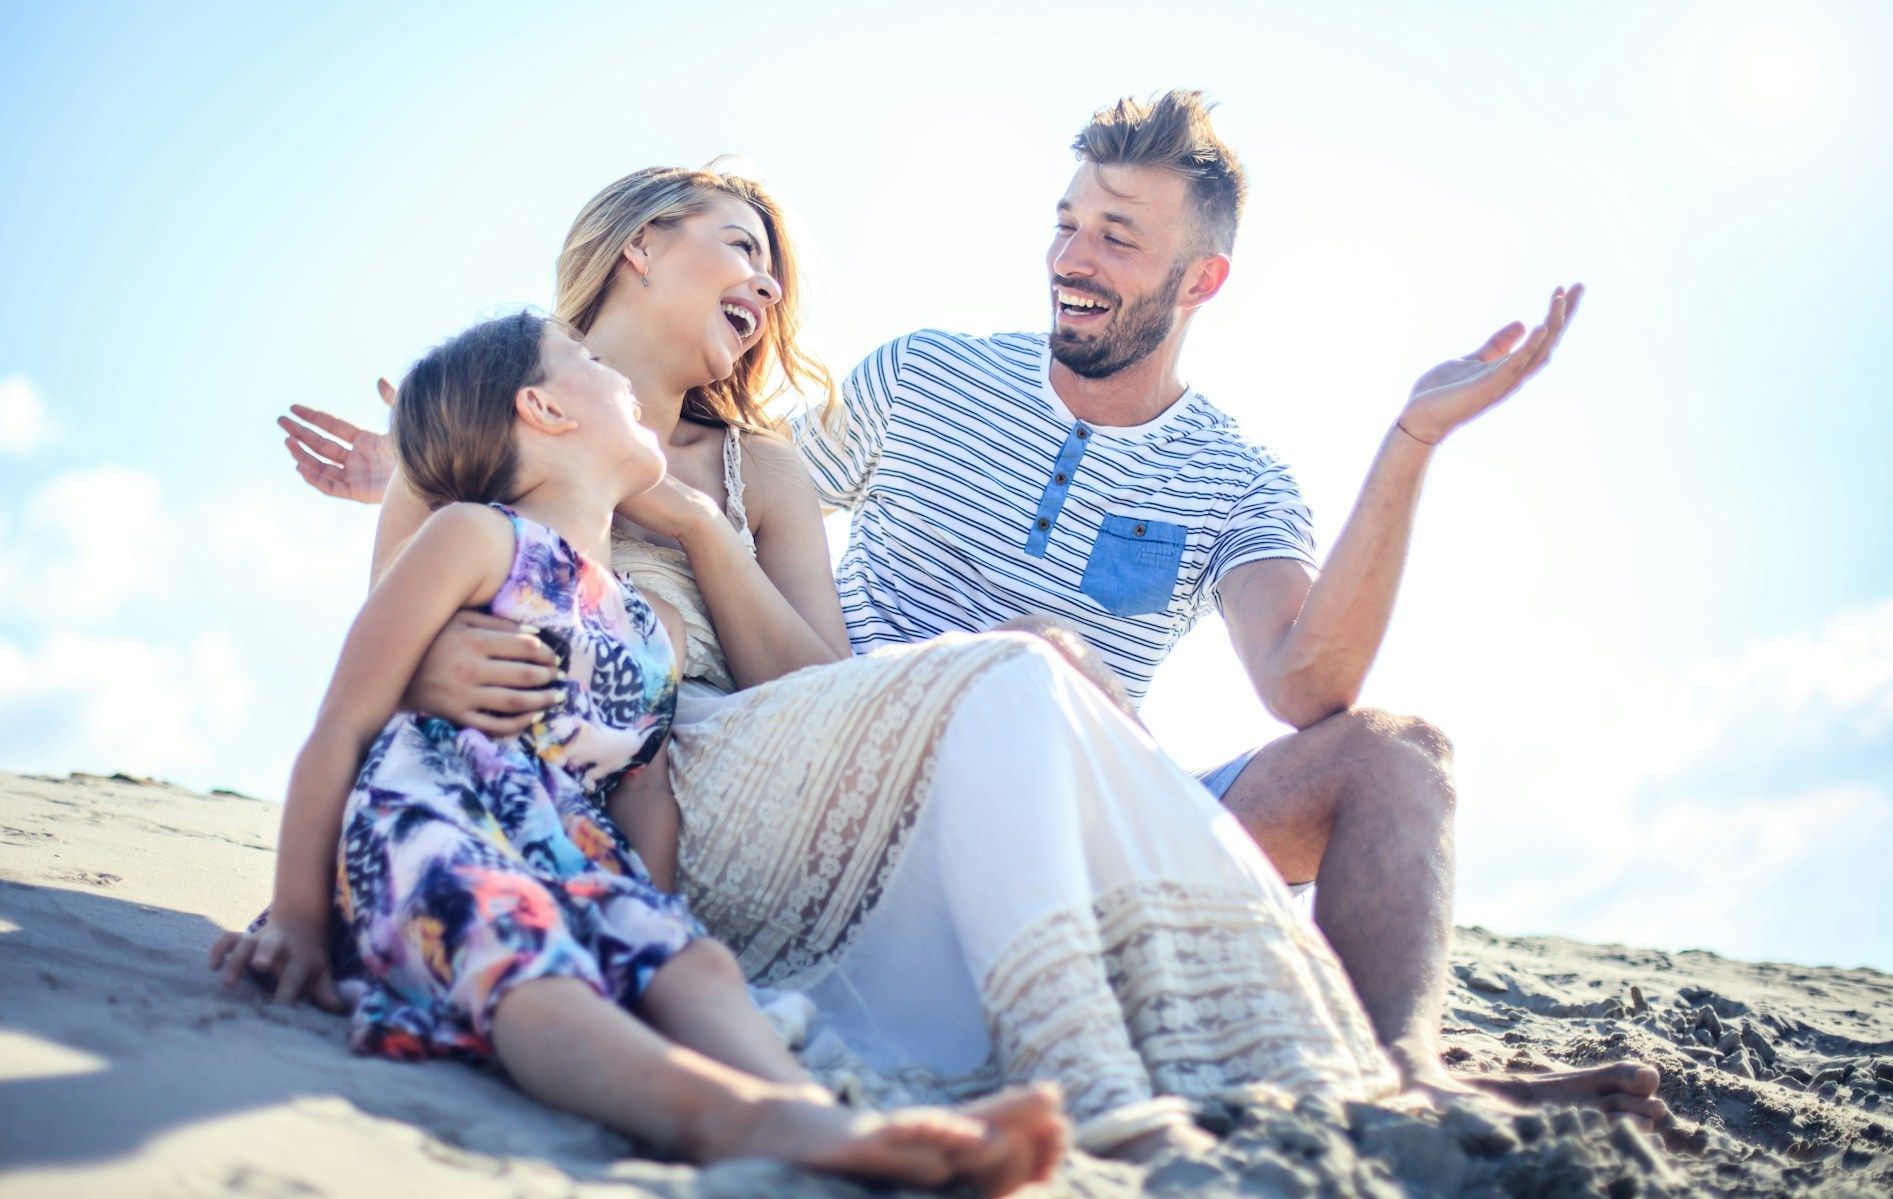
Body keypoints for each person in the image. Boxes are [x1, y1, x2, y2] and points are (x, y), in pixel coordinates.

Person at [273, 137, 1666, 1133]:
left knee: (1392, 748)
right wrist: (420, 546)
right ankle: (1251, 1048)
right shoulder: (872, 382)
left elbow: (1310, 681)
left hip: (1074, 766)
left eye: (1115, 234)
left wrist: (1411, 438)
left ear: (1201, 276)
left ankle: (1392, 1063)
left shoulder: (1217, 473)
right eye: (1067, 219)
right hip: (810, 766)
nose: (1070, 253)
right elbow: (423, 612)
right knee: (1028, 664)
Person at [211, 310, 1067, 1194]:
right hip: (433, 823)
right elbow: (342, 726)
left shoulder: (643, 625)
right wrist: (302, 918)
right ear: (542, 408)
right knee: (522, 948)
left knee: (691, 960)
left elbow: (644, 791)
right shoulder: (473, 539)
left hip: (568, 846)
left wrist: (645, 913)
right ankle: (727, 1117)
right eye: (585, 359)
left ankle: (816, 1114)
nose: (614, 371)